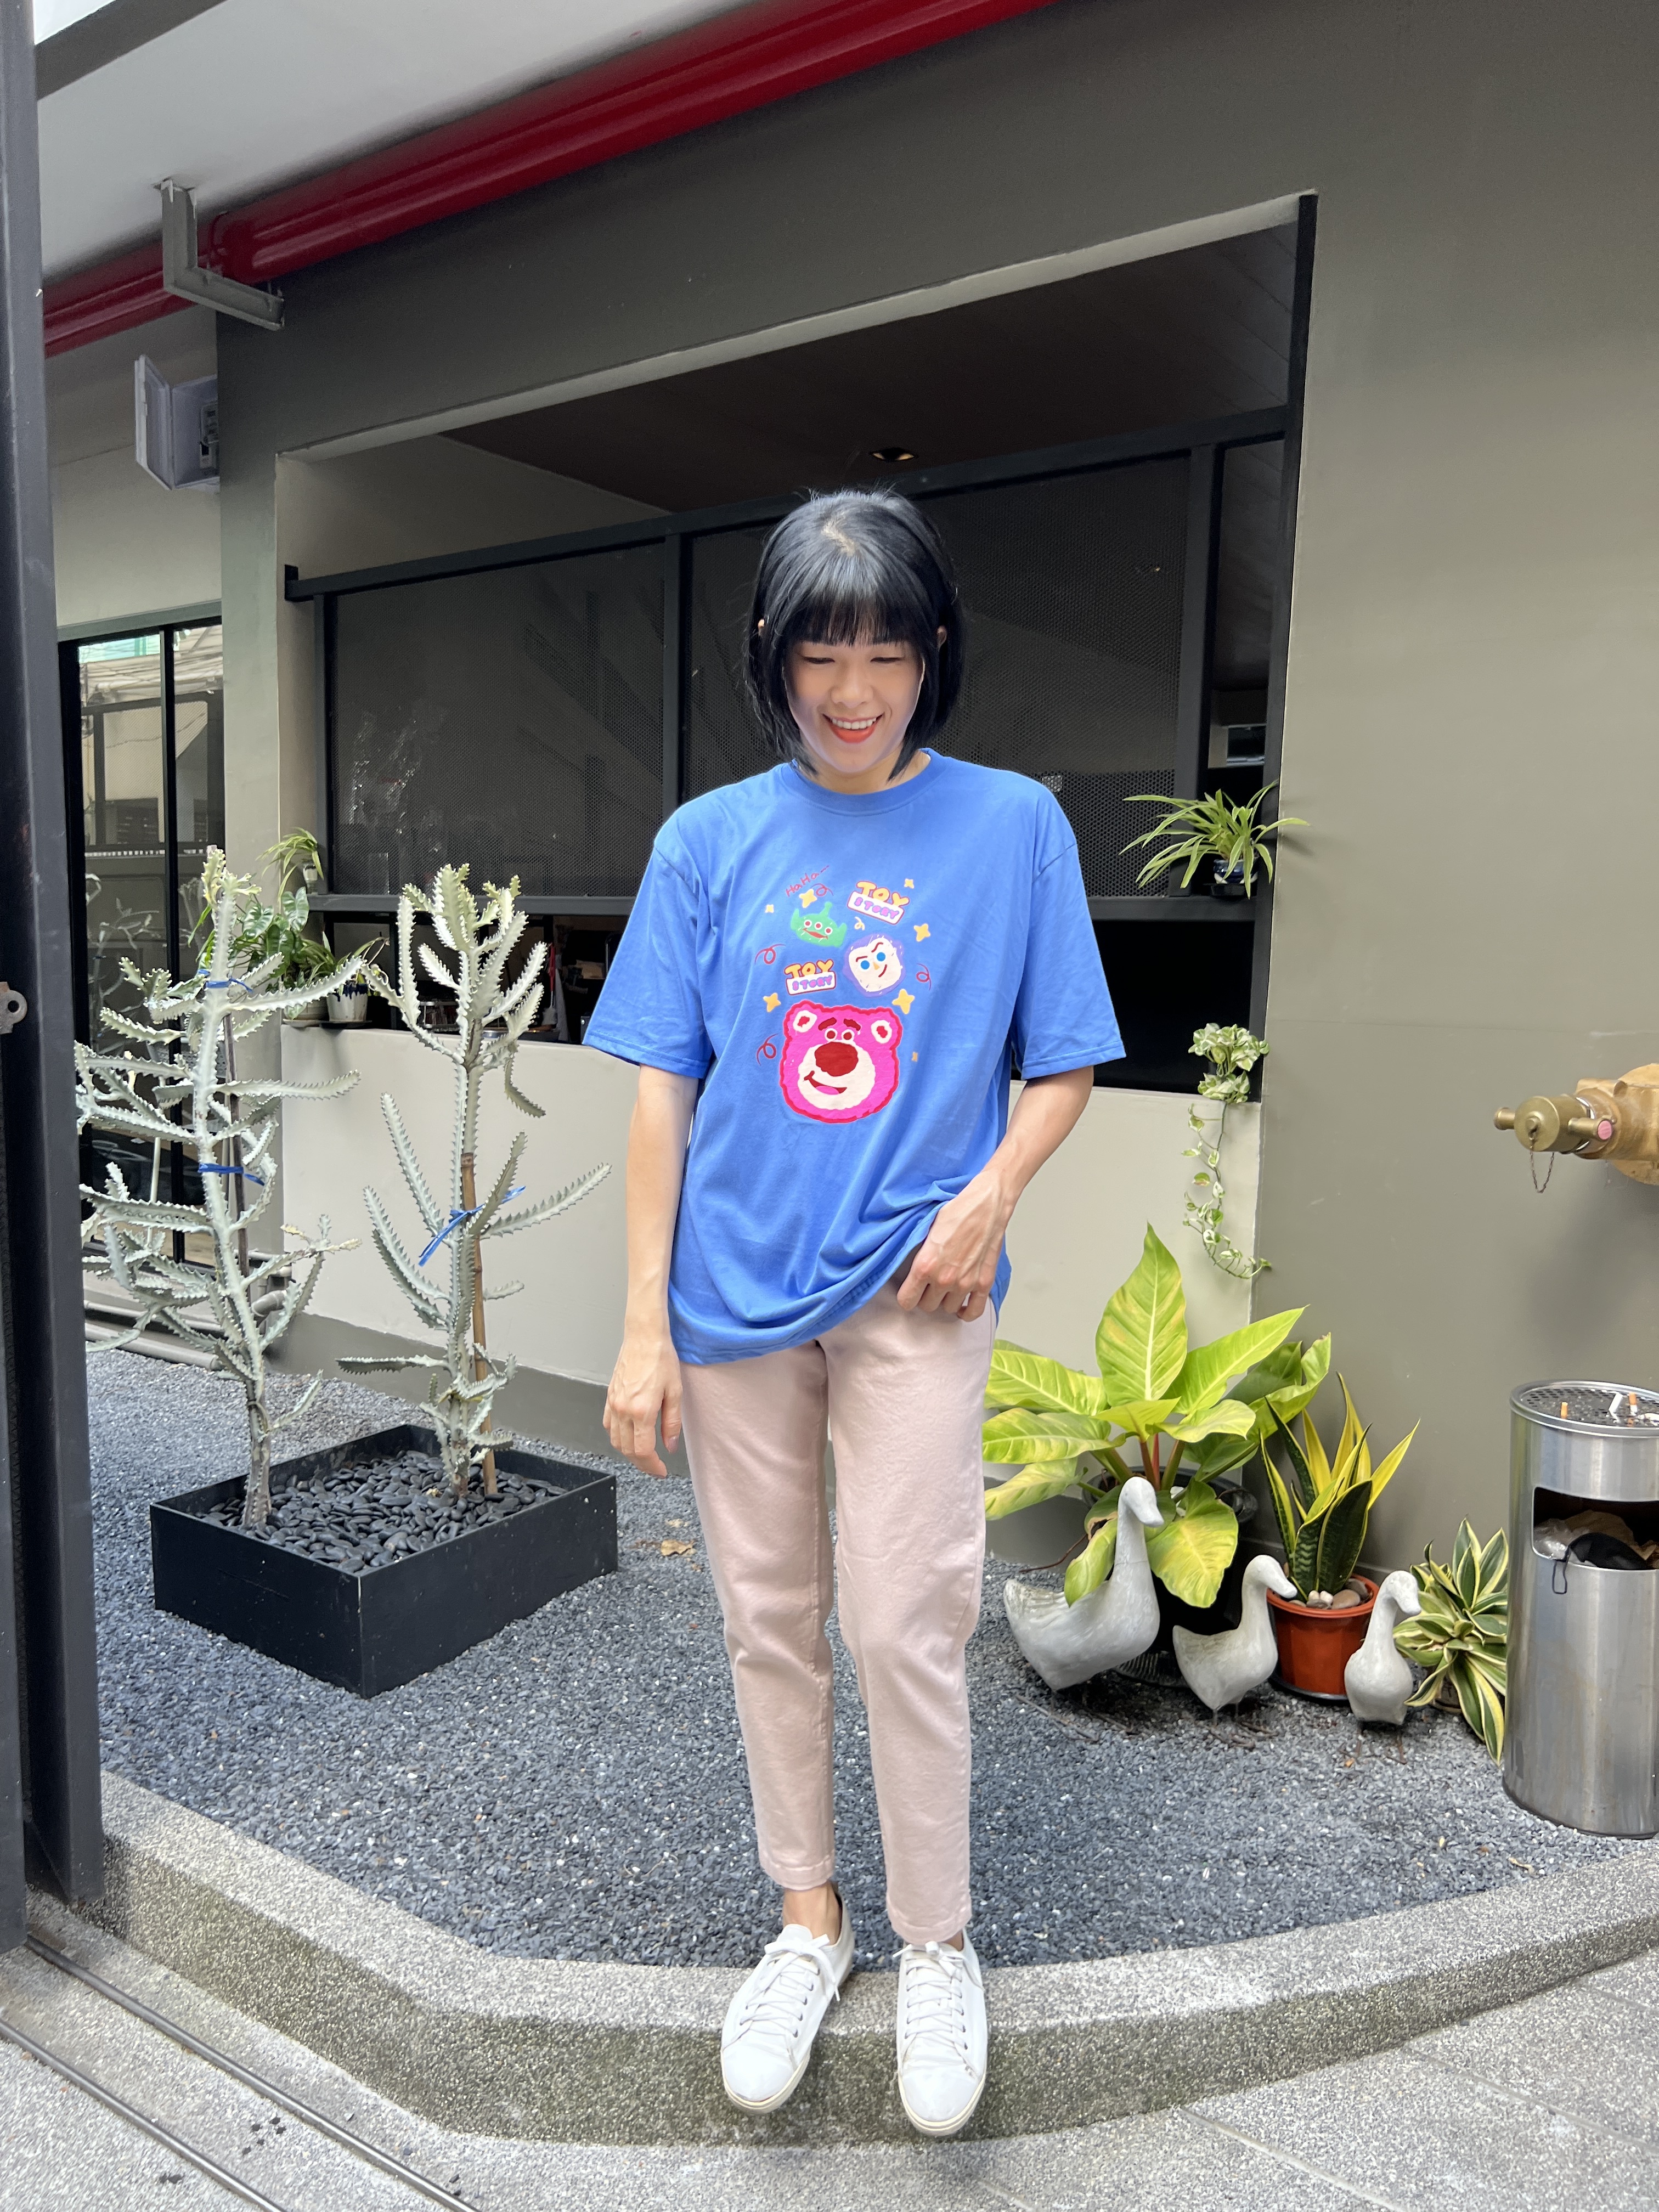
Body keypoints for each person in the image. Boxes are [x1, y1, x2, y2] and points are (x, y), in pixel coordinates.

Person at [585, 489, 1122, 2137]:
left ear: (933, 653)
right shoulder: (707, 842)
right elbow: (663, 1093)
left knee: (905, 1619)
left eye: (888, 652)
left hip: (918, 1286)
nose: (855, 690)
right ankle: (808, 1921)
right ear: (774, 656)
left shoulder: (1014, 828)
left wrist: (992, 1193)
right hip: (732, 1292)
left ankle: (937, 1943)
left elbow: (1064, 1063)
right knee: (767, 1614)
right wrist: (640, 1326)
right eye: (823, 655)